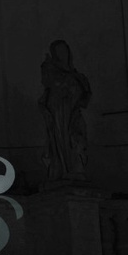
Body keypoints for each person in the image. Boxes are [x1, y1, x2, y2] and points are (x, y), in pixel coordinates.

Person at [38, 39, 92, 185]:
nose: (63, 54)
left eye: (64, 50)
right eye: (59, 51)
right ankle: (62, 169)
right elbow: (48, 86)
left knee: (76, 137)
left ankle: (75, 168)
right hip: (58, 113)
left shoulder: (78, 76)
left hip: (72, 113)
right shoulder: (52, 72)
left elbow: (85, 97)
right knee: (60, 140)